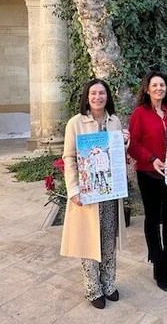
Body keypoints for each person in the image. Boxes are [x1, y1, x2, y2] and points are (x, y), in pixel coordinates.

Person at [60, 79, 129, 309]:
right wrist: (74, 190)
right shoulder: (75, 123)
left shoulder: (114, 121)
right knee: (89, 240)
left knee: (108, 239)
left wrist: (125, 143)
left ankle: (109, 284)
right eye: (93, 93)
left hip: (109, 192)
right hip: (87, 193)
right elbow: (69, 157)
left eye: (102, 93)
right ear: (87, 97)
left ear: (107, 96)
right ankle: (93, 289)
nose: (98, 97)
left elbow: (117, 155)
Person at [128, 71, 167, 291]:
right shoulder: (139, 113)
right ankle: (158, 265)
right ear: (147, 89)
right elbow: (133, 144)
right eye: (155, 85)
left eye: (162, 85)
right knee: (152, 219)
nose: (159, 88)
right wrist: (152, 159)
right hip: (148, 173)